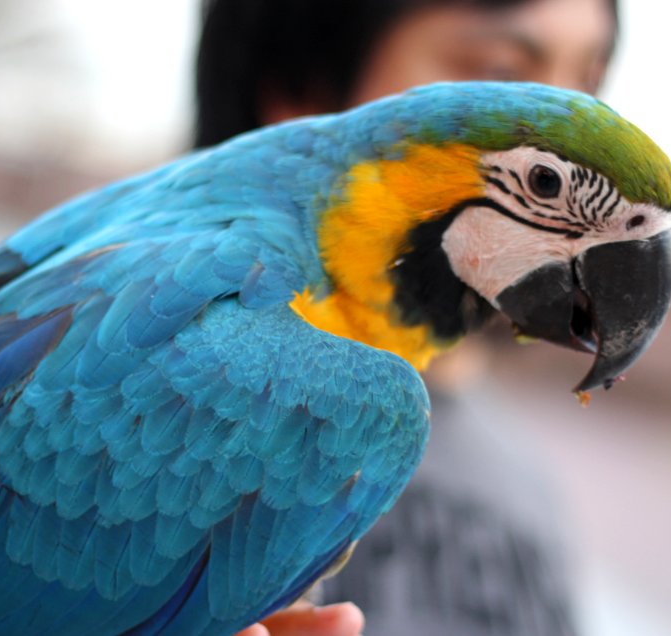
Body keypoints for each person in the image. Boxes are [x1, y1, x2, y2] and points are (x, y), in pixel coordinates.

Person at [198, 1, 620, 635]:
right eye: (502, 72)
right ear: (302, 93)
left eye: (589, 82)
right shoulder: (208, 409)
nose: (573, 132)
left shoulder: (531, 489)